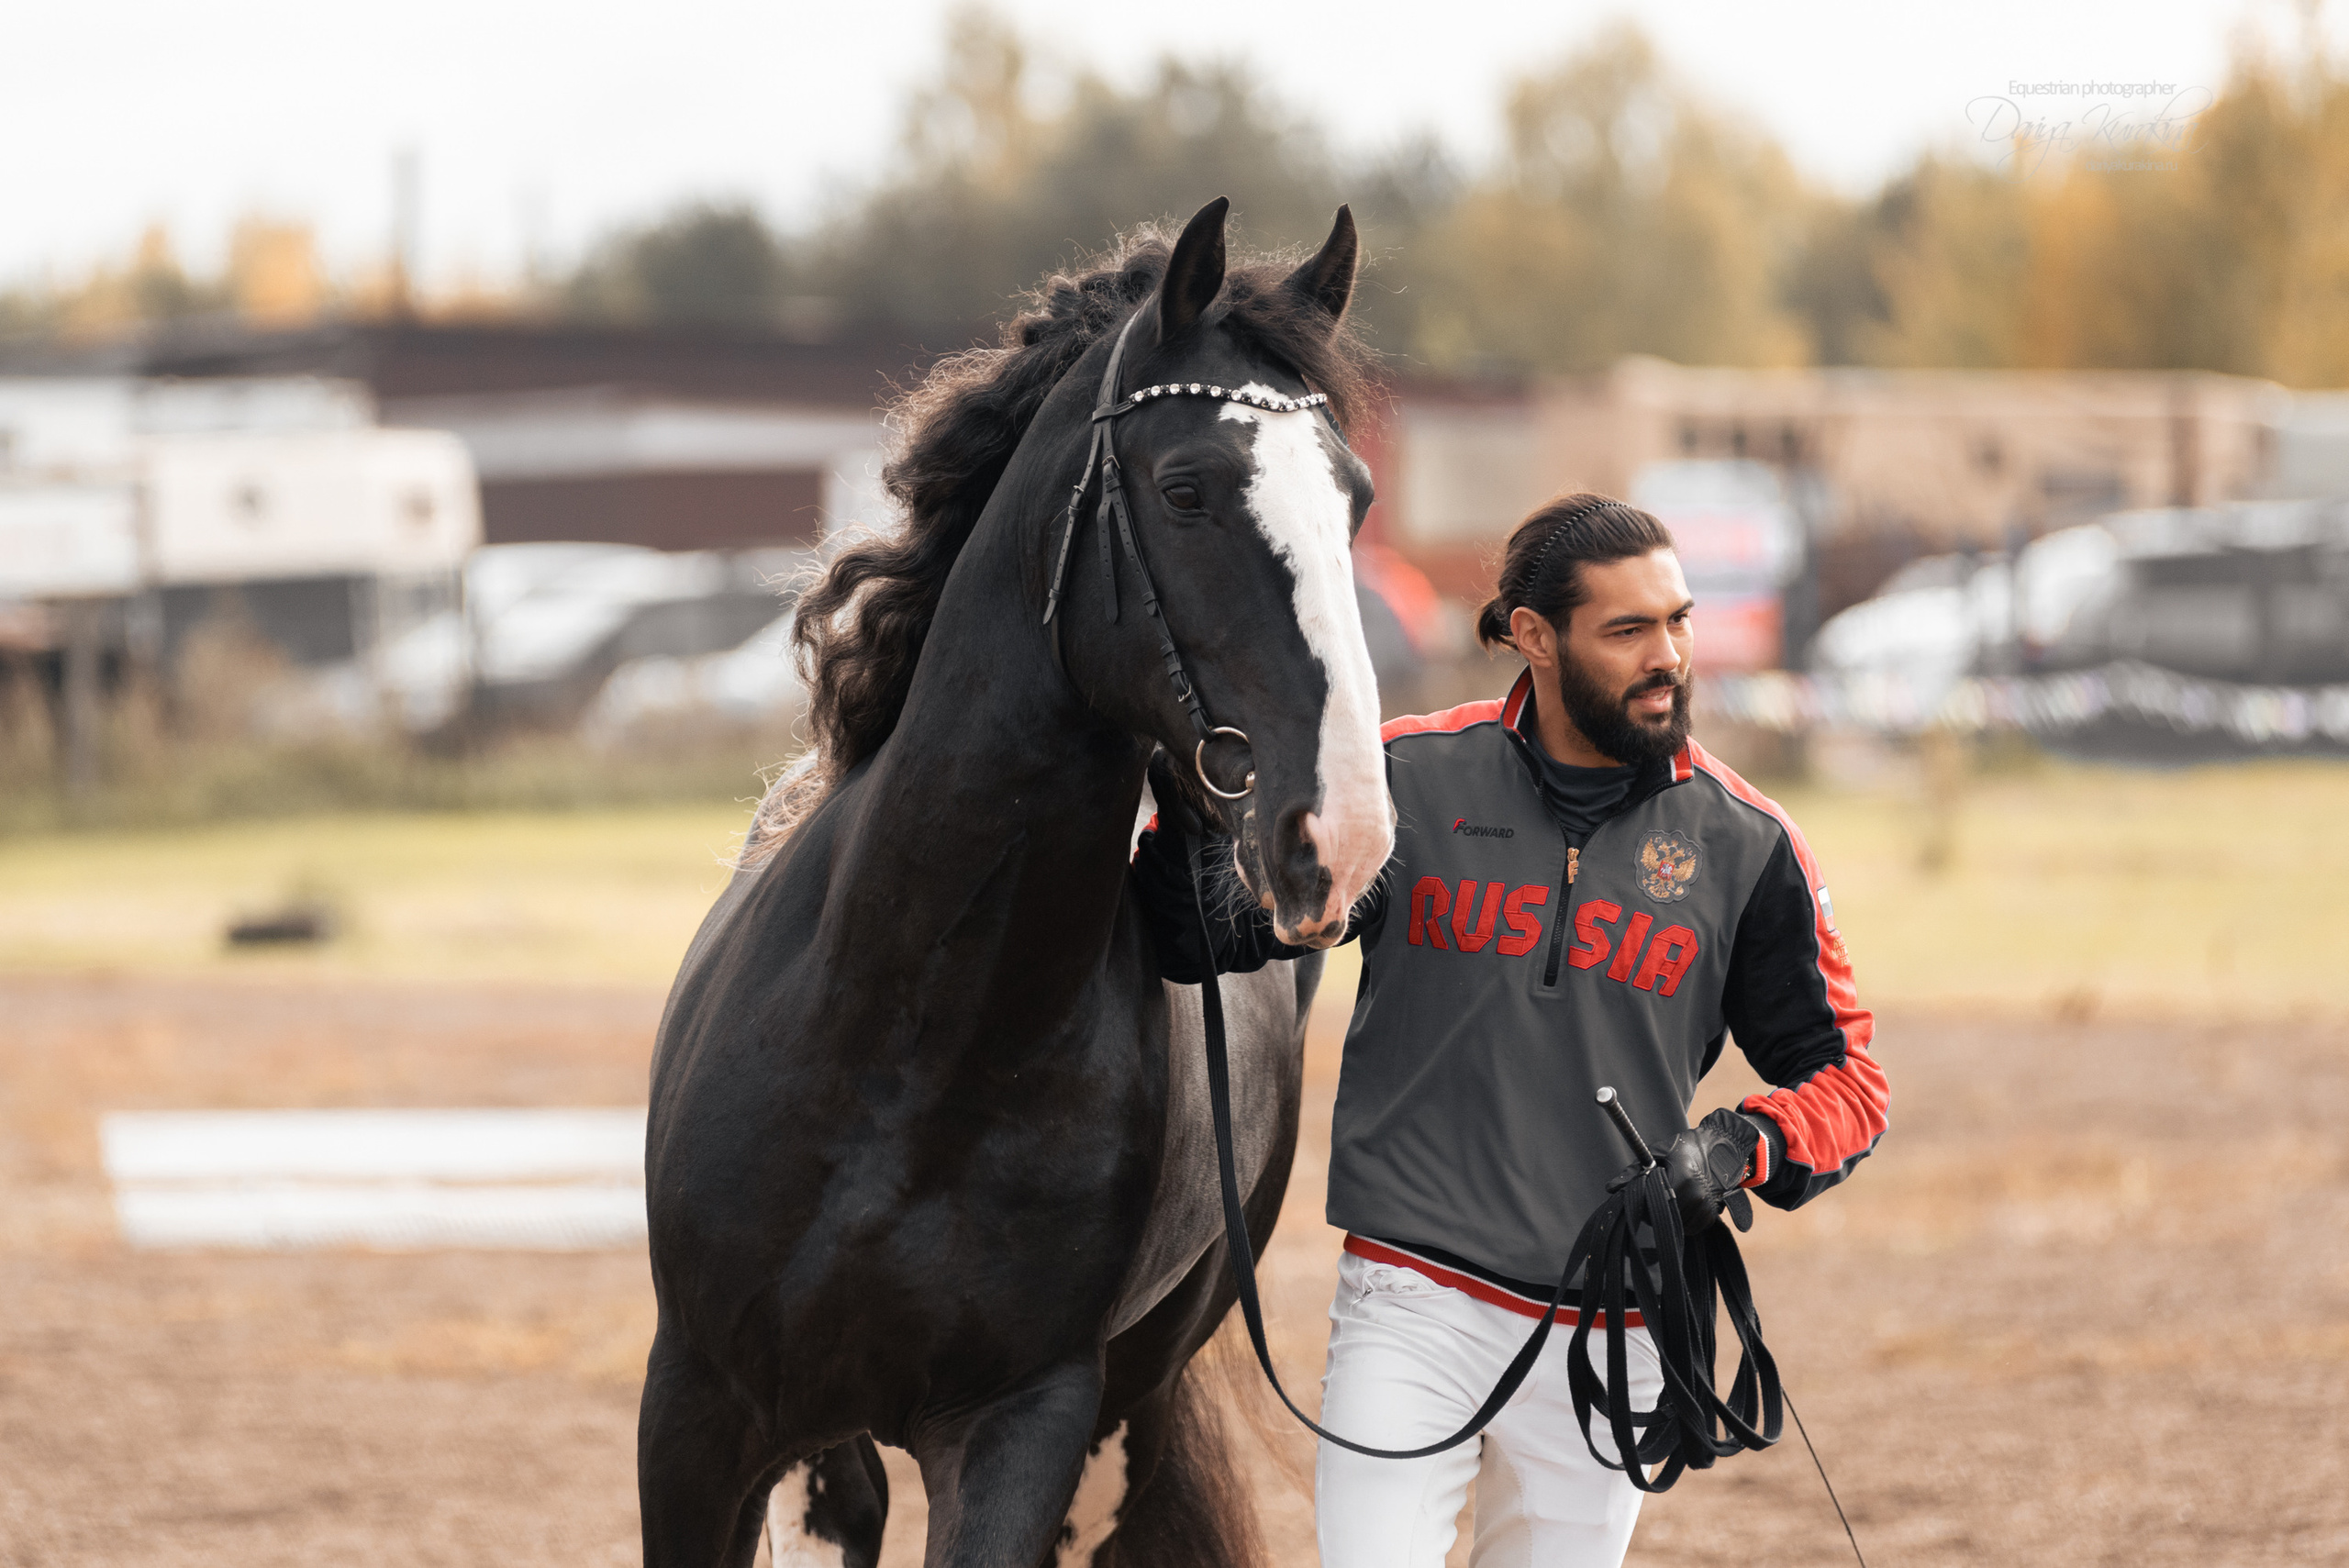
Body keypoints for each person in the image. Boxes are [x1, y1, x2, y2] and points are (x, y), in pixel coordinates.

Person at [1129, 493, 1889, 1568]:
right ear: (1530, 635)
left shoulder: (1746, 844)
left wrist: (1742, 1144)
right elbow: (1193, 931)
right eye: (1626, 630)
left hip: (1619, 1323)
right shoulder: (1403, 782)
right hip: (1413, 1299)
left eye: (1676, 620)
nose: (1667, 654)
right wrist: (1183, 788)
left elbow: (1851, 1081)